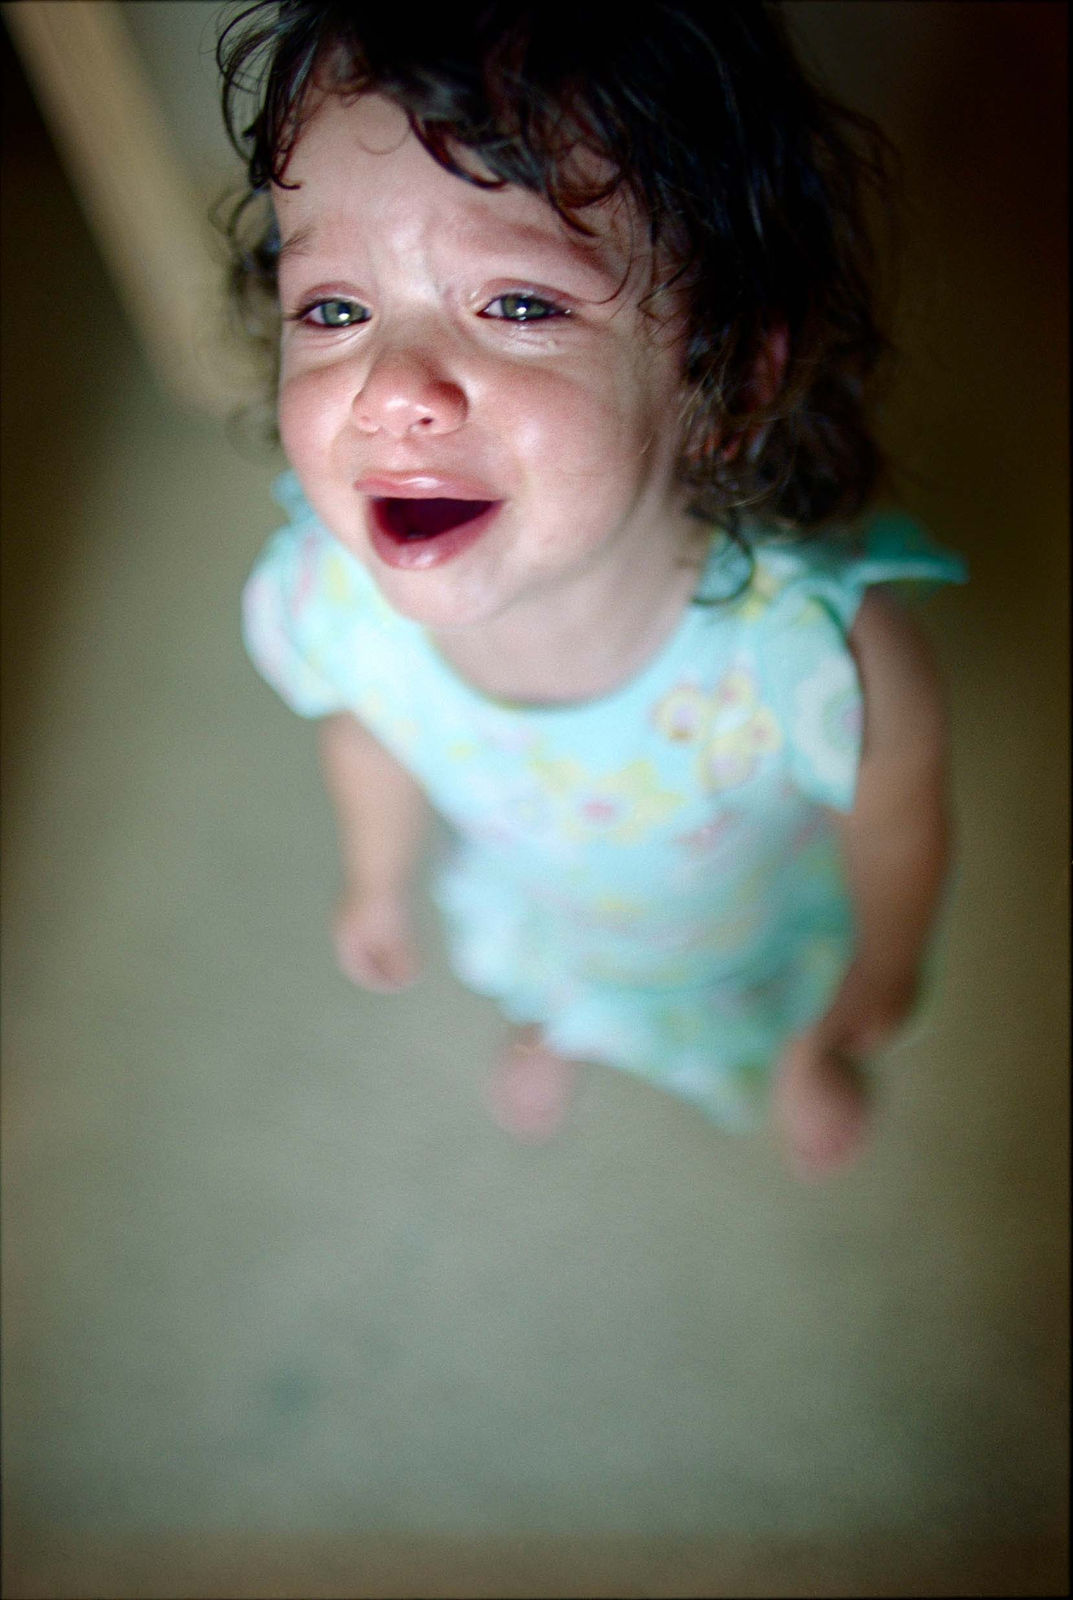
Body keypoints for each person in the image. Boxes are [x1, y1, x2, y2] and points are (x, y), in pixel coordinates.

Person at [218, 0, 966, 1177]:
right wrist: (373, 877)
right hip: (545, 906)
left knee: (789, 1019)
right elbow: (367, 734)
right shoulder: (328, 604)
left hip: (740, 935)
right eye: (335, 307)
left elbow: (896, 822)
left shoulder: (818, 659)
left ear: (724, 379)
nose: (389, 387)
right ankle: (556, 1021)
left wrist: (885, 968)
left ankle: (804, 1057)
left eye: (517, 303)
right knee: (540, 974)